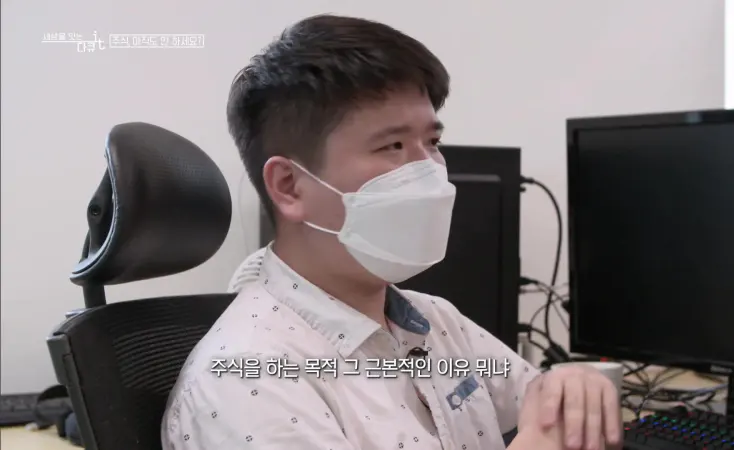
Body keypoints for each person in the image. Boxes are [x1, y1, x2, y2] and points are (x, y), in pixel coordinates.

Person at [162, 14, 621, 450]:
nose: (430, 172)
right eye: (393, 146)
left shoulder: (433, 321)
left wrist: (569, 386)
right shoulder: (247, 380)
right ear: (289, 186)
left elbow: (543, 401)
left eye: (433, 142)